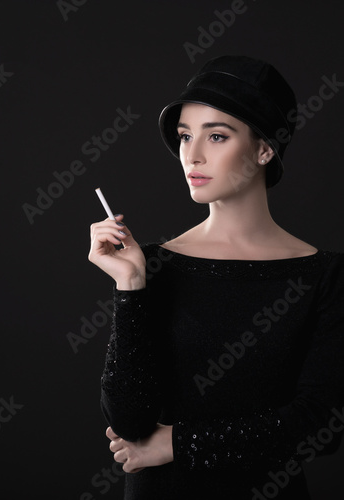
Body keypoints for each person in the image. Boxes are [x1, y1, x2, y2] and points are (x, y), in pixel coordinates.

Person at [88, 55, 344, 499]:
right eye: (186, 135)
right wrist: (129, 286)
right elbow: (129, 423)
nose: (193, 154)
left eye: (217, 136)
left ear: (265, 148)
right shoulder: (152, 265)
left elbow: (321, 424)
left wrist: (179, 442)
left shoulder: (326, 276)